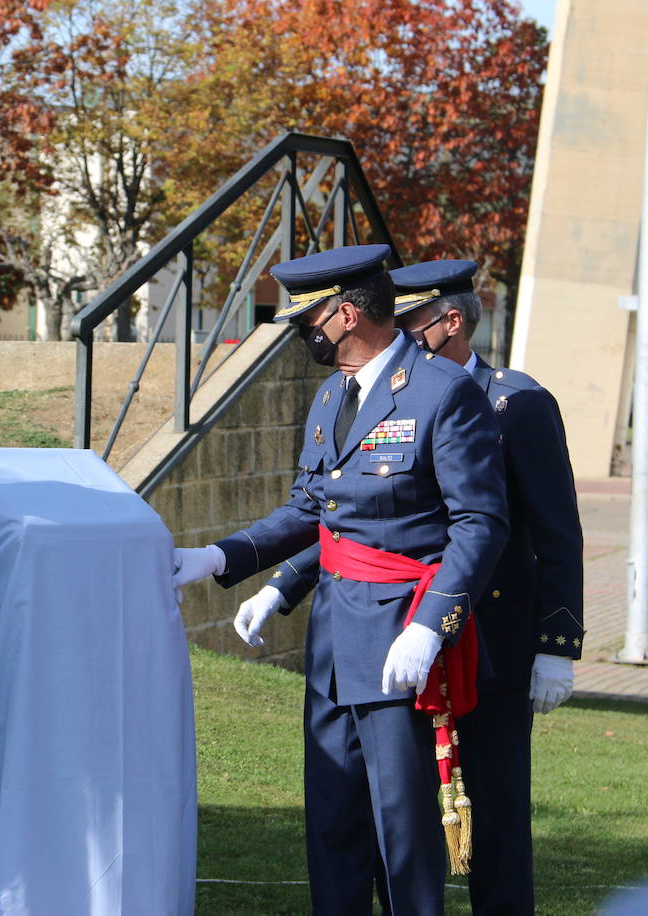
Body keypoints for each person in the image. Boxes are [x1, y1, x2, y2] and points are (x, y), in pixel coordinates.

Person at [172, 245, 508, 915]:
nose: (306, 337)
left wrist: (428, 625)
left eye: (308, 323)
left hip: (397, 644)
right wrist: (220, 558)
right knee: (333, 827)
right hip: (333, 644)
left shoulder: (444, 393)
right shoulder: (332, 394)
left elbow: (480, 523)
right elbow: (310, 508)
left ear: (346, 315)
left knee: (403, 836)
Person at [242, 259, 584, 915]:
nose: (397, 328)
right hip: (398, 630)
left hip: (489, 639)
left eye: (413, 318)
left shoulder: (513, 401)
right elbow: (358, 523)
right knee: (388, 808)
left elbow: (553, 530)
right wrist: (281, 580)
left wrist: (556, 641)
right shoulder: (371, 395)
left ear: (451, 321)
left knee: (492, 814)